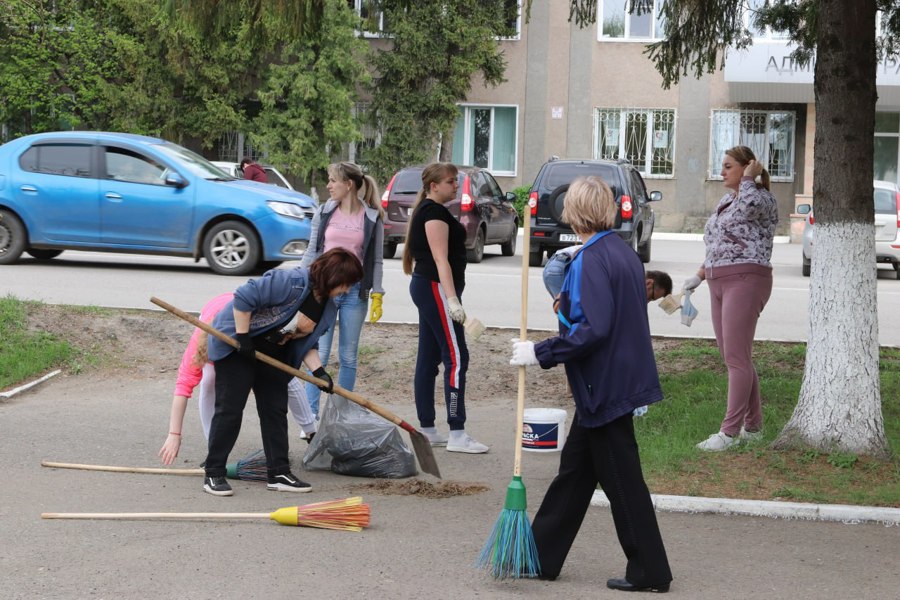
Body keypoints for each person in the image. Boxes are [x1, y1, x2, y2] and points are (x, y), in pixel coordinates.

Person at [510, 176, 672, 591]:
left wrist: (540, 352)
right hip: (612, 382)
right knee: (575, 474)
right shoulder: (620, 252)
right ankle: (540, 558)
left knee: (623, 482)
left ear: (573, 211)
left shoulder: (592, 259)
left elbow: (594, 328)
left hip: (605, 386)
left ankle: (650, 571)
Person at [202, 248, 364, 497]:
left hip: (273, 352)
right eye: (346, 284)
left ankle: (278, 473)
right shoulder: (292, 282)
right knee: (231, 408)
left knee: (275, 409)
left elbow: (307, 341)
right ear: (333, 276)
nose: (347, 290)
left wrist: (319, 372)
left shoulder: (327, 307)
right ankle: (213, 472)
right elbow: (244, 297)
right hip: (237, 343)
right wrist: (244, 338)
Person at [683, 145, 778, 452]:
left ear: (746, 168)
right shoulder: (726, 201)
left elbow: (750, 208)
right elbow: (716, 242)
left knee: (737, 359)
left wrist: (751, 178)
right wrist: (699, 275)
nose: (722, 172)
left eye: (728, 166)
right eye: (721, 166)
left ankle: (728, 433)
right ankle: (753, 427)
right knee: (735, 358)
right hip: (717, 280)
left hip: (746, 279)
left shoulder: (760, 197)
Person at [158, 293, 318, 466]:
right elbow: (182, 388)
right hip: (219, 317)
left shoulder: (254, 326)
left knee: (283, 378)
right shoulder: (200, 346)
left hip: (250, 326)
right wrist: (174, 434)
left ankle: (311, 433)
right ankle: (214, 447)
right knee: (208, 380)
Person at [402, 162, 488, 454]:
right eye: (451, 181)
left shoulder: (431, 210)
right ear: (434, 186)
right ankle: (457, 432)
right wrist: (452, 301)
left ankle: (427, 429)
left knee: (429, 358)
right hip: (436, 288)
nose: (455, 185)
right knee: (456, 357)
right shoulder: (434, 213)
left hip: (431, 288)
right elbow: (441, 261)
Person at [300, 161, 385, 416]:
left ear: (348, 185)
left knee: (348, 356)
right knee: (319, 353)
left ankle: (341, 412)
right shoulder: (324, 213)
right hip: (324, 290)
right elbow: (312, 251)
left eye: (332, 180)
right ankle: (310, 416)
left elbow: (377, 260)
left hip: (355, 293)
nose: (328, 185)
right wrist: (300, 281)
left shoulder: (372, 218)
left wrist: (377, 293)